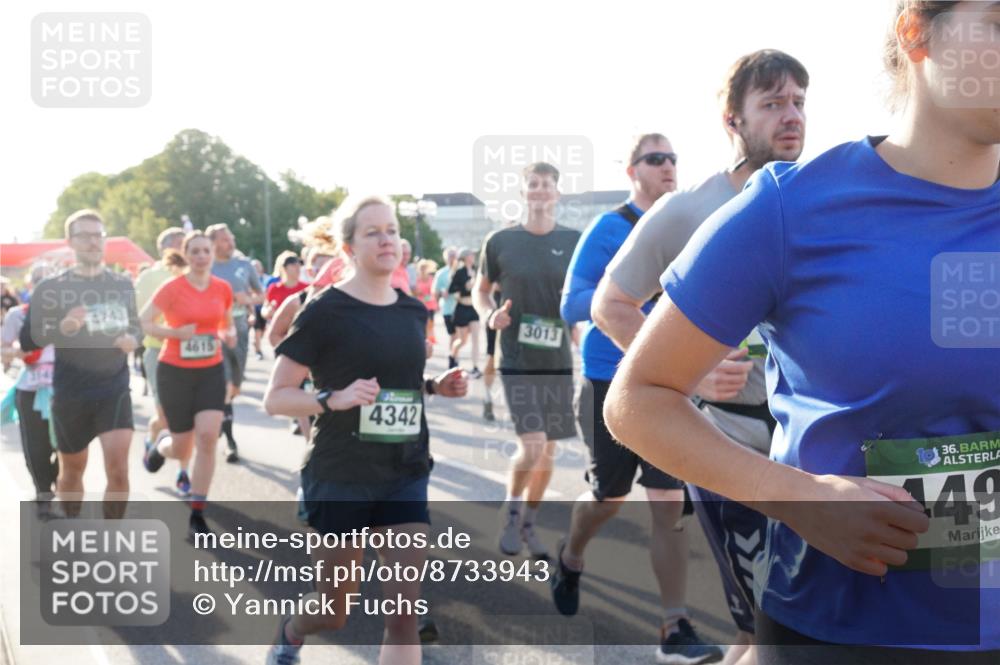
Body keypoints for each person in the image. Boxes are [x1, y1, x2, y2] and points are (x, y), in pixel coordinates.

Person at [605, 2, 999, 662]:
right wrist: (798, 497)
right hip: (840, 629)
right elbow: (637, 399)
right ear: (916, 31)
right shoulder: (791, 210)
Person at [593, 49, 810, 665]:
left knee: (785, 632)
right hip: (729, 447)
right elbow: (611, 304)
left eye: (798, 102)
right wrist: (689, 377)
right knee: (761, 631)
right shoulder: (687, 209)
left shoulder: (818, 198)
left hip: (810, 451)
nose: (791, 116)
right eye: (772, 103)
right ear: (732, 119)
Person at [263, 194, 467, 665]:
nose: (386, 239)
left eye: (392, 230)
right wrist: (329, 399)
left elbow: (398, 382)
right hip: (341, 473)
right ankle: (292, 632)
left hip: (404, 471)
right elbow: (276, 397)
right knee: (333, 611)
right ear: (348, 247)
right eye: (372, 232)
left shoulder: (412, 310)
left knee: (403, 616)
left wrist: (435, 386)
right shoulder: (324, 310)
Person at [553, 132, 728, 664]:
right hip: (610, 380)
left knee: (668, 503)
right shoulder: (610, 228)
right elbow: (573, 304)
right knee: (607, 497)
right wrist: (639, 290)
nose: (667, 166)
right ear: (632, 171)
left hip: (669, 382)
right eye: (655, 159)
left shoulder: (689, 222)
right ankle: (571, 555)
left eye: (672, 157)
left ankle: (674, 626)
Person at [474, 162, 581, 559]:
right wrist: (490, 315)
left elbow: (584, 290)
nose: (539, 190)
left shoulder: (574, 240)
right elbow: (481, 290)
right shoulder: (500, 241)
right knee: (533, 444)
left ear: (557, 192)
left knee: (548, 451)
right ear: (523, 193)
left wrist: (579, 322)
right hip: (516, 358)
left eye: (546, 184)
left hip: (558, 359)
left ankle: (529, 524)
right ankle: (512, 511)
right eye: (532, 184)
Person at [22, 209, 140, 519]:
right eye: (85, 236)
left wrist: (133, 338)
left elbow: (136, 327)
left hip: (114, 387)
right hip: (71, 392)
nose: (93, 242)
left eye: (98, 235)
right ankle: (73, 527)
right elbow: (27, 340)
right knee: (73, 470)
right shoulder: (52, 288)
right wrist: (64, 327)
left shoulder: (121, 284)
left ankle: (112, 537)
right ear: (70, 241)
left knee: (118, 469)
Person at [140, 231, 235, 537]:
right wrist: (175, 334)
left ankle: (198, 512)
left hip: (211, 371)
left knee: (207, 438)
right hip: (174, 372)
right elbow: (144, 322)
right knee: (182, 445)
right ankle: (160, 447)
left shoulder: (222, 288)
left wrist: (229, 335)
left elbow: (226, 323)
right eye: (195, 251)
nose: (201, 256)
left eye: (206, 251)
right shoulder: (173, 288)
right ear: (186, 255)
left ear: (213, 254)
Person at [134, 227, 188, 493]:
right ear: (166, 247)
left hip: (195, 355)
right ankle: (152, 439)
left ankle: (184, 472)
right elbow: (139, 318)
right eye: (180, 243)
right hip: (160, 352)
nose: (185, 247)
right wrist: (172, 332)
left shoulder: (197, 273)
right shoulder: (149, 277)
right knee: (166, 416)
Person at [2, 264, 58, 518]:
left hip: (67, 389)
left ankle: (57, 477)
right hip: (31, 389)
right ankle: (43, 494)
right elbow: (3, 349)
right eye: (40, 282)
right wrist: (16, 351)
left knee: (70, 445)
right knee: (36, 447)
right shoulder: (18, 315)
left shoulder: (72, 315)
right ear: (31, 286)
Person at [207, 223, 263, 463]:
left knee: (235, 387)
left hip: (240, 333)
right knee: (225, 386)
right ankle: (230, 441)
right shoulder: (206, 266)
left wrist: (247, 298)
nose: (230, 243)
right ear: (213, 243)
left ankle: (222, 417)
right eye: (224, 239)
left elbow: (261, 295)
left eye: (231, 238)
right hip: (213, 334)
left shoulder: (244, 265)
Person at [448, 249, 482, 377]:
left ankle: (475, 367)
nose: (473, 256)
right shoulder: (459, 272)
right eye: (471, 254)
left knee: (476, 338)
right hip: (462, 308)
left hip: (474, 308)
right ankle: (453, 356)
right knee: (462, 341)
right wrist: (465, 286)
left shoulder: (477, 271)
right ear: (466, 257)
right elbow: (451, 289)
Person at [262, 251, 308, 326]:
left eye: (299, 265)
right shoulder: (274, 288)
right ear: (284, 268)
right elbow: (264, 309)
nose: (298, 268)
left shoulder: (307, 288)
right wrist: (268, 312)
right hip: (279, 328)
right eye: (293, 265)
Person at [433, 247, 459, 360]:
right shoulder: (441, 273)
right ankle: (452, 357)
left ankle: (453, 356)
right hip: (447, 309)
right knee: (453, 334)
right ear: (445, 258)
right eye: (450, 256)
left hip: (461, 308)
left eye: (454, 255)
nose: (452, 258)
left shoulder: (461, 271)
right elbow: (434, 291)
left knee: (460, 335)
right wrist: (441, 293)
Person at [412, 259, 439, 344]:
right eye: (421, 268)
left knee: (430, 324)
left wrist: (425, 298)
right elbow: (414, 292)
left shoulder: (431, 279)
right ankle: (423, 340)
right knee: (421, 324)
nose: (422, 270)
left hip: (430, 305)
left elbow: (433, 293)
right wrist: (417, 293)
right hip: (420, 305)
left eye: (424, 268)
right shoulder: (416, 280)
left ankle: (429, 340)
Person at [252, 258, 271, 361]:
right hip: (254, 308)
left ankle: (257, 342)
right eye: (254, 266)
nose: (256, 268)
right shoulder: (248, 279)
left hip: (265, 308)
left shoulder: (268, 279)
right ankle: (258, 351)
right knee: (257, 329)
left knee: (262, 330)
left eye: (257, 266)